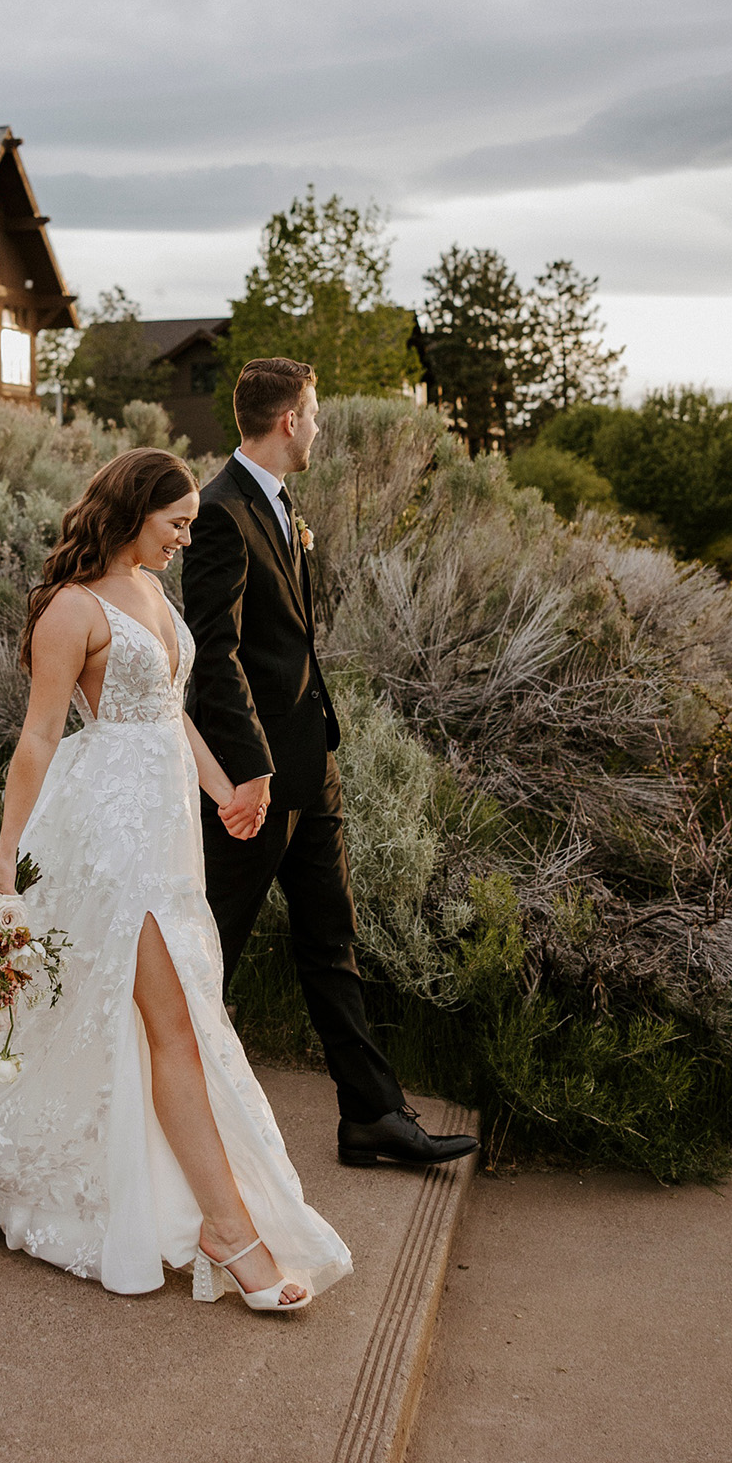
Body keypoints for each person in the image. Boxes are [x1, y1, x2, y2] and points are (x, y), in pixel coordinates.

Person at [0, 447, 351, 1312]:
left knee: (173, 1017)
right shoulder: (71, 608)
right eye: (175, 525)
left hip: (167, 837)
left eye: (191, 526)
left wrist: (228, 790)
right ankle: (230, 1232)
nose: (184, 540)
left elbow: (170, 714)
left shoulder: (157, 594)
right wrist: (4, 850)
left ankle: (209, 1211)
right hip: (105, 838)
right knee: (177, 1023)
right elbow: (40, 739)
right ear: (132, 513)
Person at [182, 357, 478, 1171]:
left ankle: (373, 1117)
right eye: (314, 415)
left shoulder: (282, 504)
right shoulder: (219, 513)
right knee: (207, 949)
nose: (319, 429)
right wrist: (251, 769)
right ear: (289, 421)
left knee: (330, 942)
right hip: (256, 784)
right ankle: (150, 1105)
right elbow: (216, 654)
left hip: (315, 767)